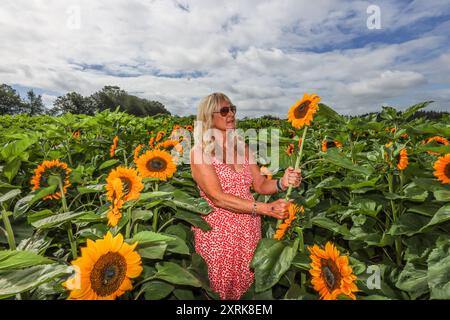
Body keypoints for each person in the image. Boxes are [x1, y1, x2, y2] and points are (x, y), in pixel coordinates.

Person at [190, 92, 302, 300]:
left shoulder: (243, 148)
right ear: (208, 116)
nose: (231, 114)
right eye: (224, 110)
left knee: (246, 289)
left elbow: (259, 184)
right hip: (218, 234)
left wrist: (282, 182)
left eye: (232, 108)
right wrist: (265, 209)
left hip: (249, 230)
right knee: (220, 290)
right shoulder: (200, 153)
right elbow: (217, 198)